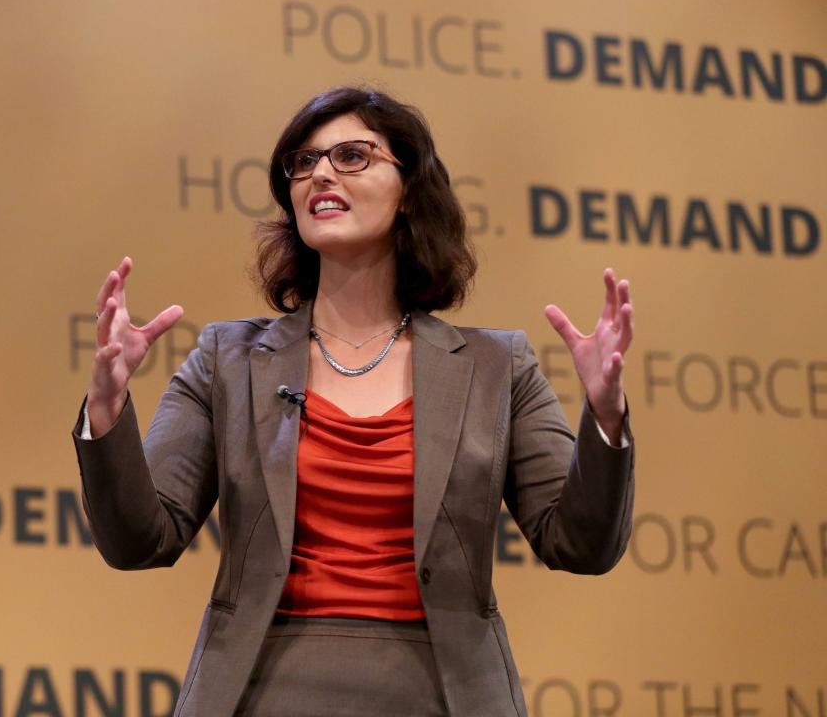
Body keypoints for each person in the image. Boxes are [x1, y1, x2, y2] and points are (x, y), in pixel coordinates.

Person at [72, 87, 635, 717]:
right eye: (303, 163)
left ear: (411, 192)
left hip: (443, 694)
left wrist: (605, 416)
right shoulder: (227, 359)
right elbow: (139, 541)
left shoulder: (496, 367)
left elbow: (580, 546)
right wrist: (108, 405)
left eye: (351, 156)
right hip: (260, 691)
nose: (320, 175)